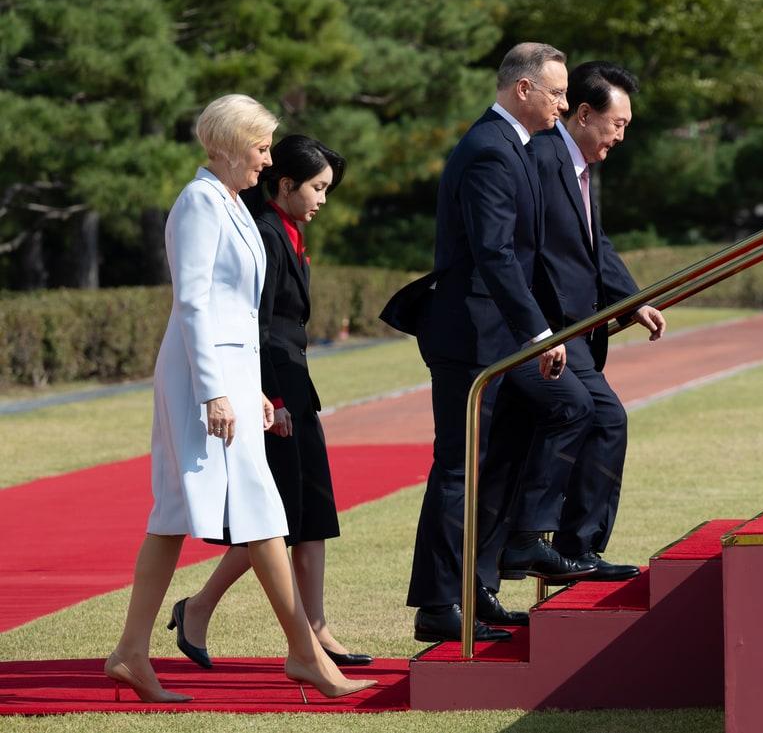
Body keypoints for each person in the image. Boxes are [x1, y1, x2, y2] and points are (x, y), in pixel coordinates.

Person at [104, 96, 374, 703]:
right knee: (231, 510)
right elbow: (195, 304)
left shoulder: (229, 204)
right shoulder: (200, 202)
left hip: (228, 375)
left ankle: (131, 652)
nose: (267, 159)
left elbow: (241, 311)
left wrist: (249, 389)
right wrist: (215, 393)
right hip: (202, 379)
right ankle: (305, 653)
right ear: (227, 147)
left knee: (189, 515)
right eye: (259, 148)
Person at [400, 42, 599, 645]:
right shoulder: (489, 149)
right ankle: (441, 603)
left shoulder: (520, 146)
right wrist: (539, 332)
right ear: (524, 90)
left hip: (505, 335)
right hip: (473, 336)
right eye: (559, 92)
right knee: (459, 469)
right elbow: (494, 254)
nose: (564, 105)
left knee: (568, 409)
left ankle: (493, 569)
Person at [173, 135, 372, 669]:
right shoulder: (261, 232)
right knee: (276, 516)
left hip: (295, 381)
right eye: (317, 187)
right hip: (272, 388)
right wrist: (274, 398)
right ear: (285, 185)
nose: (323, 200)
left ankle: (316, 628)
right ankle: (202, 608)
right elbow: (251, 324)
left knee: (312, 511)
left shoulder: (285, 231)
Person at [509, 61, 665, 585]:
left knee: (603, 420)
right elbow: (530, 250)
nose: (620, 136)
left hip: (579, 329)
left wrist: (630, 301)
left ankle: (573, 547)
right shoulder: (546, 157)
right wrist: (540, 329)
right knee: (599, 416)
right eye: (616, 124)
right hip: (553, 329)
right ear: (582, 113)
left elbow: (597, 245)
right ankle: (545, 542)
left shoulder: (578, 166)